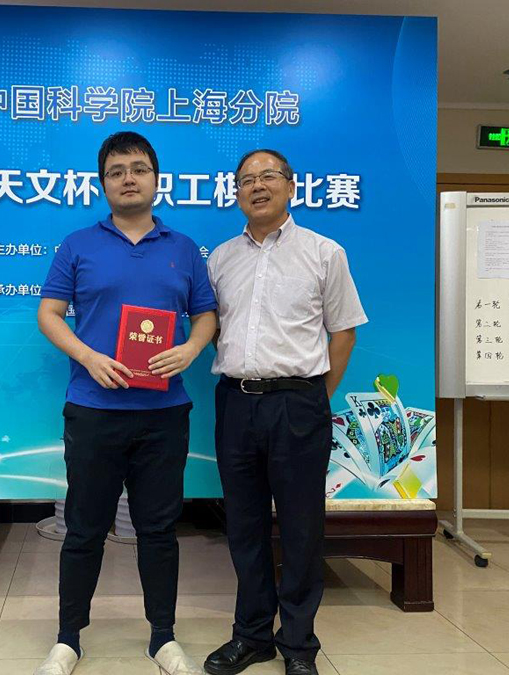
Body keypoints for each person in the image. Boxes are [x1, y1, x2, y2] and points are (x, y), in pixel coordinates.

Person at [34, 131, 217, 675]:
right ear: (103, 183)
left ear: (157, 179)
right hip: (93, 409)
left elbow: (206, 314)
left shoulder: (183, 248)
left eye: (138, 168)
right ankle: (68, 638)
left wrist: (191, 348)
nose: (128, 178)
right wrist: (88, 357)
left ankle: (163, 637)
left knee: (158, 530)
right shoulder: (77, 245)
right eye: (116, 172)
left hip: (164, 414)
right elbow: (48, 314)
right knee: (84, 529)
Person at [203, 149, 367, 675]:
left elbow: (343, 333)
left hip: (299, 404)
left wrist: (315, 395)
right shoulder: (220, 259)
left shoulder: (324, 252)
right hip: (235, 403)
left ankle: (298, 644)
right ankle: (252, 635)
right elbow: (216, 333)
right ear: (235, 193)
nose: (257, 186)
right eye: (246, 179)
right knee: (243, 524)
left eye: (268, 176)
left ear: (291, 187)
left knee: (300, 528)